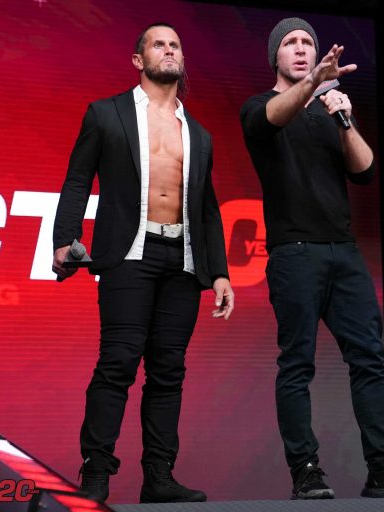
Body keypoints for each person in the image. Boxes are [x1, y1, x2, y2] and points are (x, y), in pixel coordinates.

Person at [240, 18, 384, 499]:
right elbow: (275, 117)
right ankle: (306, 470)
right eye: (290, 43)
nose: (301, 49)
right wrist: (314, 83)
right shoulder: (260, 107)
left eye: (307, 42)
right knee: (297, 364)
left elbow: (365, 171)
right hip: (295, 253)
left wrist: (344, 119)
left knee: (369, 358)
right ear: (275, 56)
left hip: (344, 252)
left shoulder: (331, 111)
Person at [52, 22, 234, 504]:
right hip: (129, 254)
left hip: (183, 259)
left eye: (175, 45)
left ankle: (159, 477)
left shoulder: (198, 133)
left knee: (169, 371)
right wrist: (64, 239)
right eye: (159, 44)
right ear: (139, 59)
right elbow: (77, 179)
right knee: (118, 363)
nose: (169, 50)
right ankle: (96, 473)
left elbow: (207, 207)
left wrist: (219, 272)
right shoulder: (106, 113)